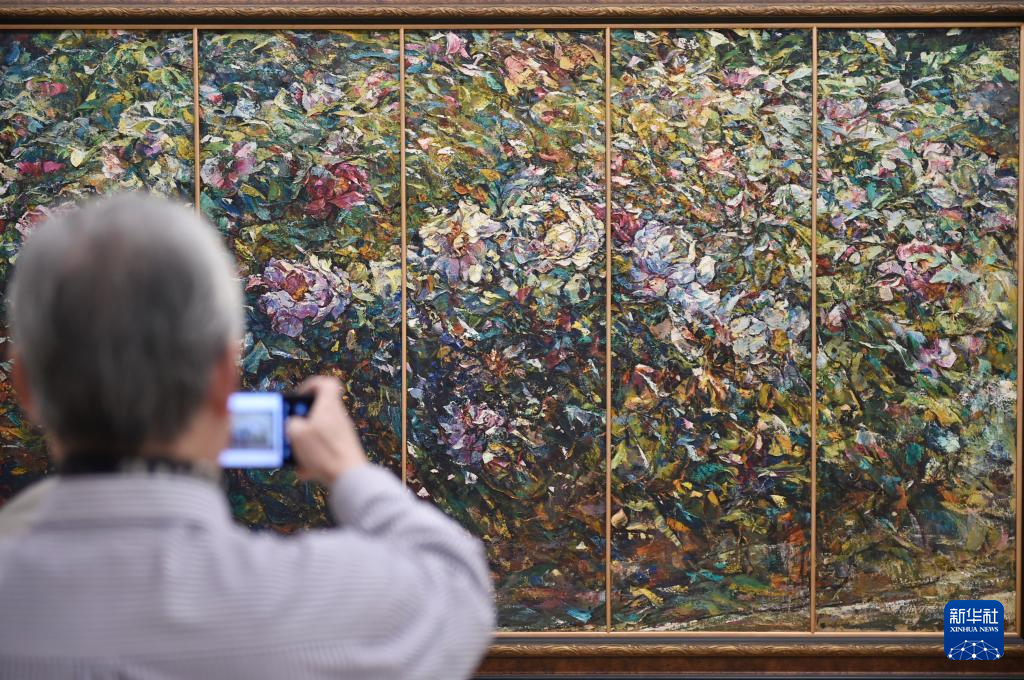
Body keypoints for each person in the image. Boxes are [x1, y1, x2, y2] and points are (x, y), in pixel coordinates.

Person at [0, 193, 495, 679]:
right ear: (223, 376)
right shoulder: (315, 604)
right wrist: (350, 472)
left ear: (25, 384)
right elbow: (457, 585)